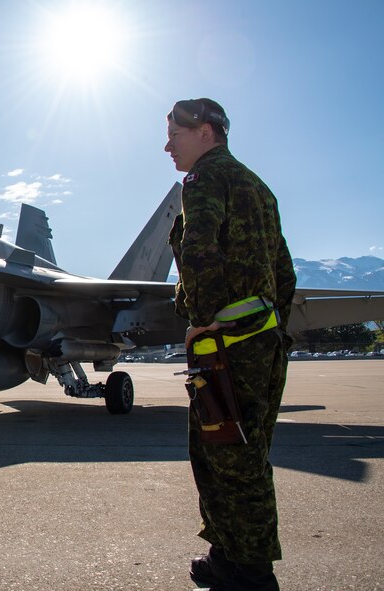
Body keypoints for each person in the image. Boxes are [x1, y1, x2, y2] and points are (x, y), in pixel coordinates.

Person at [165, 98, 296, 591]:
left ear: (204, 131)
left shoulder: (204, 180)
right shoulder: (259, 189)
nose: (168, 145)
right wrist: (270, 328)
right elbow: (284, 271)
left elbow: (197, 251)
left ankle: (251, 573)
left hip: (226, 346)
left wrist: (202, 322)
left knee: (227, 457)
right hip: (262, 342)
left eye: (174, 134)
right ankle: (227, 554)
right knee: (240, 450)